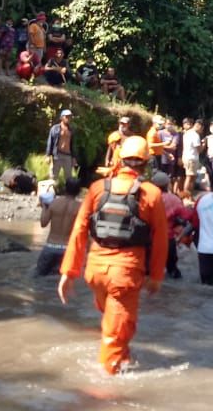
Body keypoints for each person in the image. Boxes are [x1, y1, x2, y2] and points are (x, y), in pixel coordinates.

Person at [58, 137, 169, 375]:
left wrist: (68, 272)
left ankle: (122, 358)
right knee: (115, 337)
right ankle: (106, 387)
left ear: (119, 159)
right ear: (146, 164)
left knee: (115, 324)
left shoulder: (97, 188)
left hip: (95, 272)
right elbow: (161, 239)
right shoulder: (151, 194)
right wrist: (156, 276)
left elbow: (79, 230)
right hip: (125, 274)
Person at [36, 179, 81, 276]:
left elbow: (43, 223)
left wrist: (44, 207)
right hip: (67, 249)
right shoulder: (80, 208)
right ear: (79, 191)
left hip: (50, 246)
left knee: (38, 276)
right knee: (61, 279)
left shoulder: (54, 203)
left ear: (65, 189)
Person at [149, 171, 184, 279]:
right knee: (173, 270)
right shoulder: (175, 199)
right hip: (168, 239)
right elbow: (182, 218)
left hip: (151, 239)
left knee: (149, 271)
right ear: (167, 184)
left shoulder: (148, 198)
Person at [46, 109, 78, 187]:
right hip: (57, 155)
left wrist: (74, 158)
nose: (68, 118)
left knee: (69, 178)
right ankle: (51, 192)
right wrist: (48, 155)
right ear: (61, 117)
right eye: (66, 117)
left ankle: (68, 192)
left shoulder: (71, 130)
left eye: (69, 117)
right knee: (53, 176)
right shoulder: (55, 128)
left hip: (68, 156)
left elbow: (72, 144)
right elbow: (50, 141)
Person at [181, 119, 203, 200]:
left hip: (186, 157)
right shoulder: (195, 135)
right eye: (202, 129)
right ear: (198, 126)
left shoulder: (187, 133)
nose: (201, 131)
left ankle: (189, 196)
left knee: (190, 177)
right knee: (190, 178)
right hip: (192, 158)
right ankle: (187, 197)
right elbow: (199, 150)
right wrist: (204, 144)